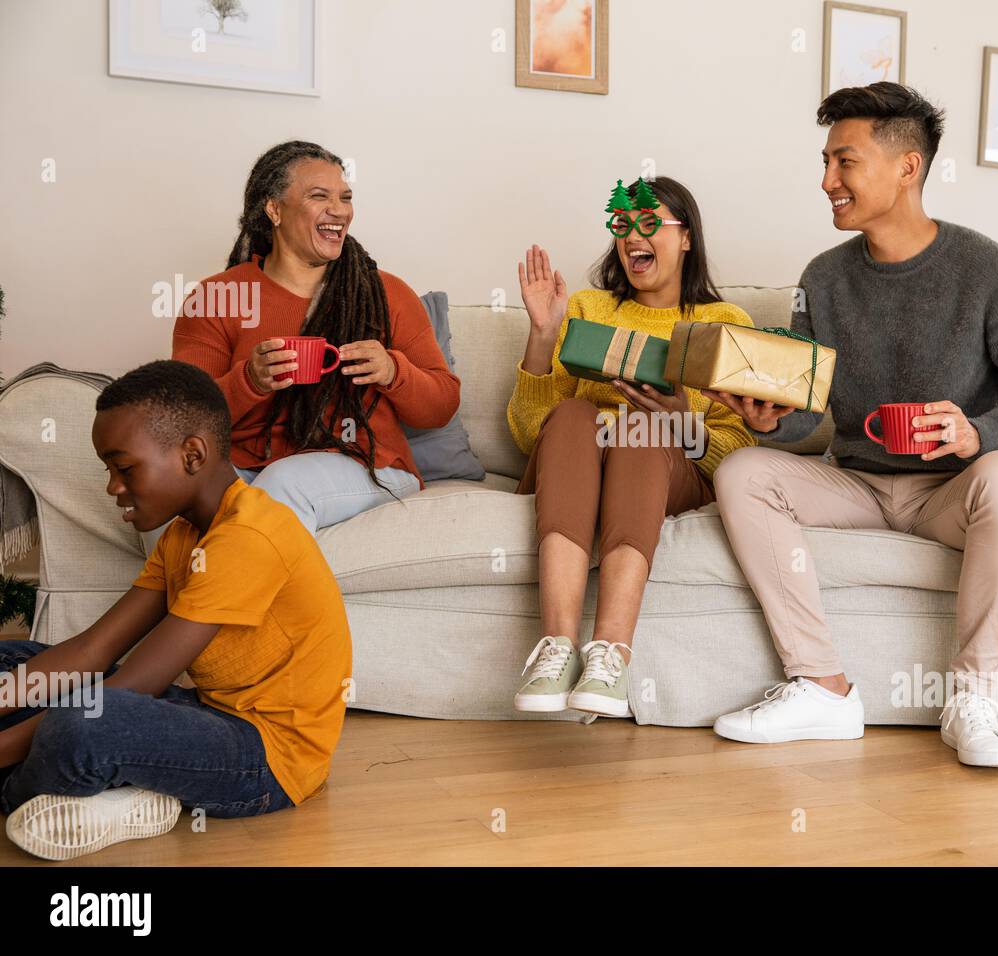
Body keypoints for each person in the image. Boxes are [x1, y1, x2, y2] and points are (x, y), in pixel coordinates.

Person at [707, 83, 998, 767]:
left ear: (907, 167)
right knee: (742, 470)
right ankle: (822, 689)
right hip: (858, 486)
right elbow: (806, 417)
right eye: (825, 163)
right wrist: (767, 420)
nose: (827, 182)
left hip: (951, 493)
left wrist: (978, 433)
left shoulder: (987, 268)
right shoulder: (821, 277)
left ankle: (973, 697)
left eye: (844, 162)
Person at [0, 360, 351, 859]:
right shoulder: (185, 535)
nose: (112, 486)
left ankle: (28, 794)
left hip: (268, 761)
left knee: (80, 722)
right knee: (14, 661)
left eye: (124, 468)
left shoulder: (249, 535)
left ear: (192, 455)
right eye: (108, 470)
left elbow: (134, 685)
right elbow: (92, 649)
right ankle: (121, 786)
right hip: (203, 715)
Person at [508, 177, 756, 719]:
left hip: (663, 474)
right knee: (576, 411)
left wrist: (683, 422)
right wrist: (545, 336)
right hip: (573, 470)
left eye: (650, 224)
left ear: (686, 238)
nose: (632, 237)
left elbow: (739, 450)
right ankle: (555, 649)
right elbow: (531, 434)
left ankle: (612, 655)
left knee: (641, 430)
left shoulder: (725, 323)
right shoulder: (587, 308)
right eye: (622, 225)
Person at [173, 140, 461, 535]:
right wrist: (250, 381)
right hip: (246, 465)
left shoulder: (385, 293)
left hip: (365, 465)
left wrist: (394, 371)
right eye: (319, 196)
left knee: (282, 485)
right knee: (174, 484)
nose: (339, 210)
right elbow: (184, 420)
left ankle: (218, 596)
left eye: (345, 197)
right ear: (274, 209)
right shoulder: (215, 299)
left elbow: (441, 406)